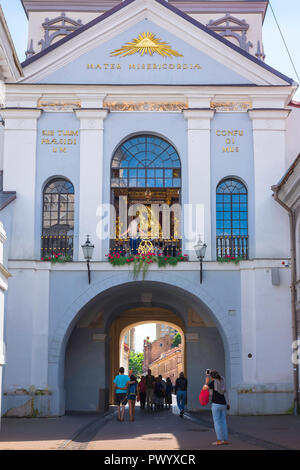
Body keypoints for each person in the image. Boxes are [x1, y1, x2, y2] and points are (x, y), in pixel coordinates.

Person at [202, 370, 229, 446]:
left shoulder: (213, 383)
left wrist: (206, 382)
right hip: (223, 403)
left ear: (212, 377)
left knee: (217, 422)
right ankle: (225, 439)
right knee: (223, 422)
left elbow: (204, 388)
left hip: (216, 404)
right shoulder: (222, 381)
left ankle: (219, 440)